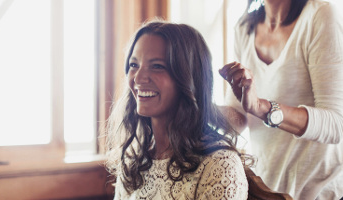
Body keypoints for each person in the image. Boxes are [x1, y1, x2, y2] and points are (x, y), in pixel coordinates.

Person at [106, 21, 248, 199]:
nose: (139, 78)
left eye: (157, 66)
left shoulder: (220, 165)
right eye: (134, 65)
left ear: (188, 78)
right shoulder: (134, 161)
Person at [218, 0, 343, 199]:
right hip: (268, 191)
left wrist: (261, 108)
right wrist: (199, 106)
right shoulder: (244, 28)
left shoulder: (320, 16)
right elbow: (238, 118)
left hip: (320, 192)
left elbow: (336, 124)